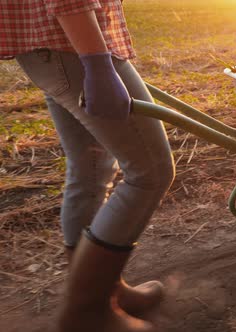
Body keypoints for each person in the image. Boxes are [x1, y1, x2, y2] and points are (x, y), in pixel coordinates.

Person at [1, 1, 175, 331]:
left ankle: (105, 290)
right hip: (72, 43)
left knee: (89, 166)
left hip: (49, 49)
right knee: (150, 172)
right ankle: (87, 310)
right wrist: (97, 63)